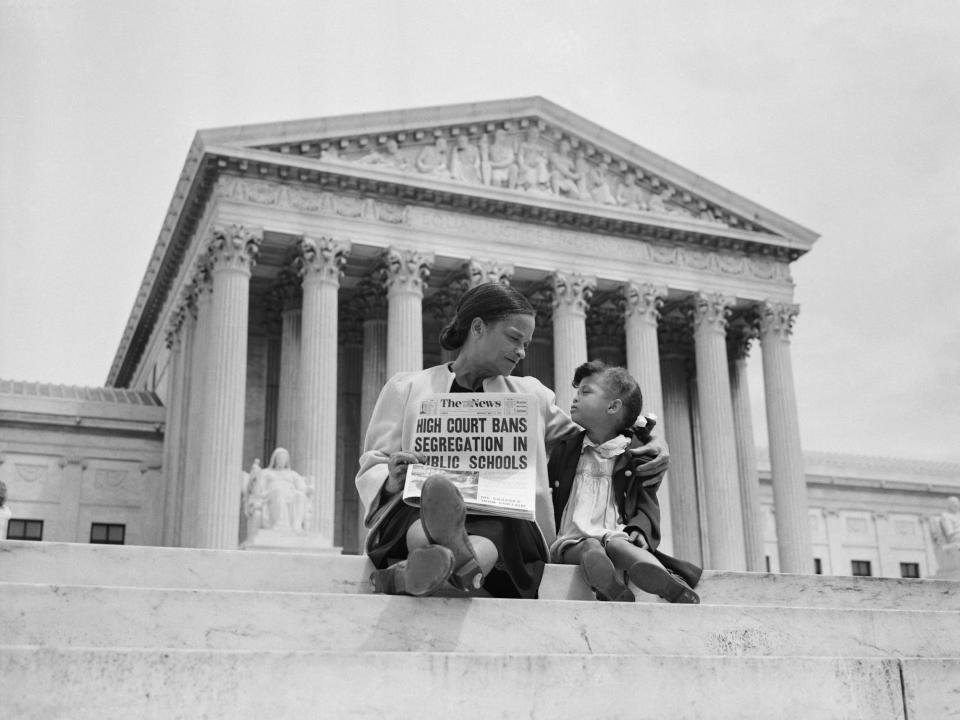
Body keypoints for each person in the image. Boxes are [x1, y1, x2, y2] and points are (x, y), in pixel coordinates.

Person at [356, 283, 669, 598]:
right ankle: (456, 560)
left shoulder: (531, 395)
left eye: (527, 344)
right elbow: (374, 463)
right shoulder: (407, 388)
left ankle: (427, 566)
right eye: (514, 338)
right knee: (424, 510)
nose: (521, 352)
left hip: (504, 517)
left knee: (503, 523)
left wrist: (642, 440)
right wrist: (393, 478)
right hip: (420, 506)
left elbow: (593, 439)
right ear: (478, 327)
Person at [549, 360, 701, 603]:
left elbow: (645, 499)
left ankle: (667, 581)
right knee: (588, 548)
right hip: (571, 536)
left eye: (586, 392)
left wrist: (641, 529)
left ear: (613, 407)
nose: (575, 398)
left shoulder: (633, 454)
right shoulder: (565, 448)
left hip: (615, 531)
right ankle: (609, 584)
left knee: (621, 547)